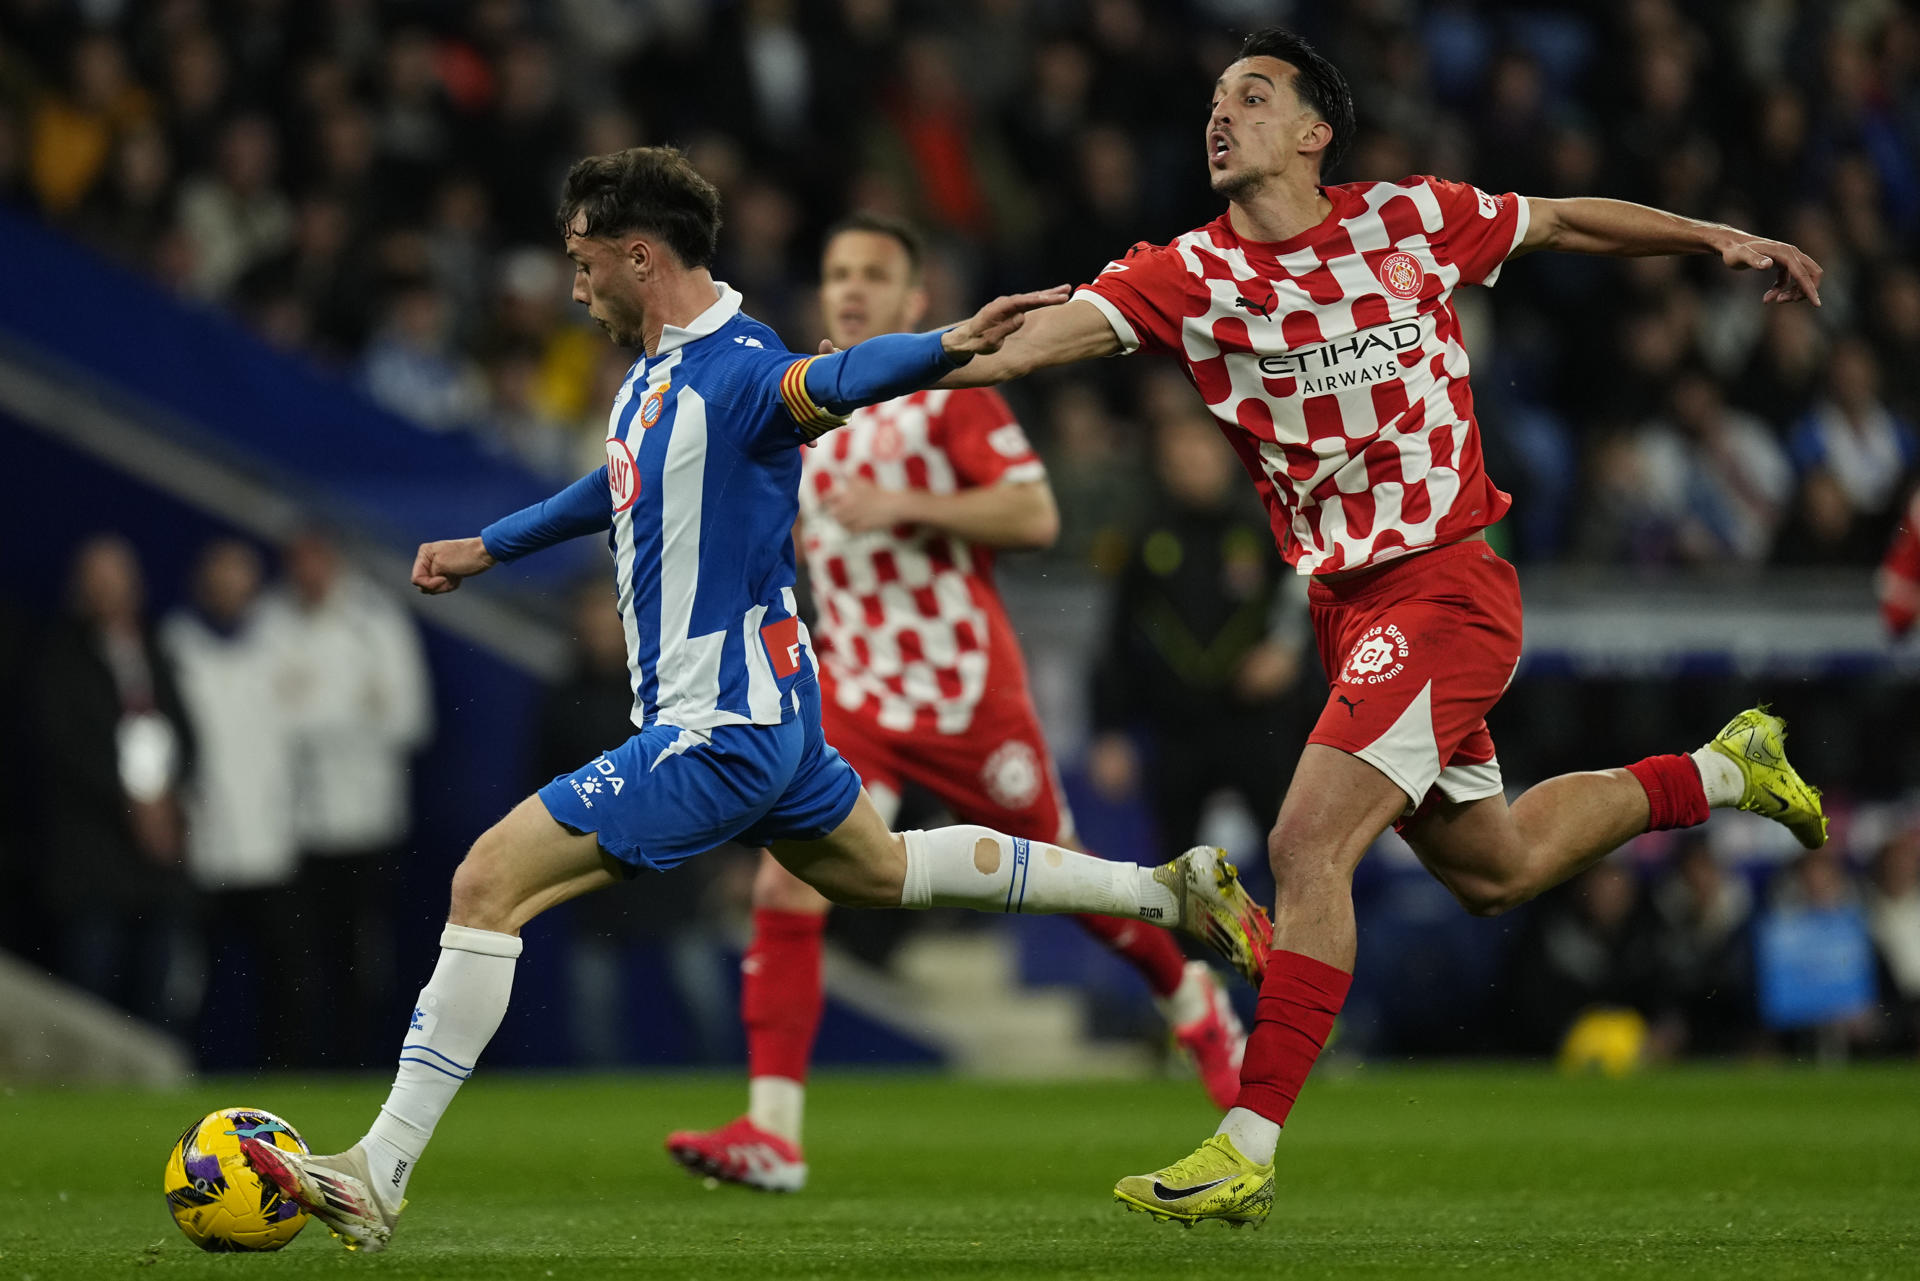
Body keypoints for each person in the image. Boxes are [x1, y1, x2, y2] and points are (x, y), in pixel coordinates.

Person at [238, 145, 1271, 1253]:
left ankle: (381, 1168)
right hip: (784, 725)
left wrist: (943, 347)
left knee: (485, 881)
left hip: (716, 733)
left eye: (584, 261)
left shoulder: (736, 368)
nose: (571, 282)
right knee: (881, 870)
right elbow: (619, 485)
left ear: (641, 257)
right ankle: (1165, 895)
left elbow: (822, 385)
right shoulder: (650, 377)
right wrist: (488, 547)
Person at [932, 26, 1833, 1226]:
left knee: (1308, 847)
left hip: (1448, 587)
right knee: (1496, 869)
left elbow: (1562, 219)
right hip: (1348, 608)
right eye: (1213, 100)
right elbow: (1028, 349)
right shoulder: (1184, 276)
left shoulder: (1407, 220)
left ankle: (1245, 1144)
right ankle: (1724, 769)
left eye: (1252, 97)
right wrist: (874, 375)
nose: (1222, 115)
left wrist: (1709, 233)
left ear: (1314, 133)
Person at [663, 215, 1249, 1193]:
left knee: (1078, 893)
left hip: (969, 699)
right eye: (838, 270)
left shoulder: (944, 393)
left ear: (914, 303)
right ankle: (774, 1131)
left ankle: (1192, 997)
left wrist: (910, 509)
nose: (850, 289)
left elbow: (1035, 514)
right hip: (855, 705)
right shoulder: (803, 403)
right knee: (788, 883)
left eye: (874, 276)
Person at [258, 528, 433, 1067]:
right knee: (293, 962)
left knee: (359, 960)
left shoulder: (374, 623)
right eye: (297, 560)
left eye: (316, 559)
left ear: (333, 561)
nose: (306, 572)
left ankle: (355, 1068)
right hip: (291, 825)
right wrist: (352, 713)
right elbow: (260, 721)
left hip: (367, 825)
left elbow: (411, 720)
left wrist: (312, 715)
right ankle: (295, 1072)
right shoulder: (269, 622)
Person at [34, 534, 194, 1029]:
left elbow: (183, 730)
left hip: (158, 856)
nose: (110, 593)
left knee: (158, 986)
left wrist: (167, 798)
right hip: (93, 854)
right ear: (80, 589)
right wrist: (132, 804)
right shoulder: (58, 655)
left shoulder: (155, 647)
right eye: (98, 582)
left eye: (118, 580)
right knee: (92, 985)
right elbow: (62, 745)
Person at [159, 539, 306, 1066]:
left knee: (283, 977)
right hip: (202, 841)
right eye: (219, 578)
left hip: (271, 844)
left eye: (239, 578)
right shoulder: (174, 646)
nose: (230, 590)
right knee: (190, 978)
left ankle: (284, 1079)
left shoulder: (277, 643)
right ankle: (181, 1070)